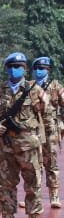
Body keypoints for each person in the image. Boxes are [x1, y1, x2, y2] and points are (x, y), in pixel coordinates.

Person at [0, 52, 50, 218]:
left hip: (29, 147)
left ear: (25, 69)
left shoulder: (35, 90)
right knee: (6, 184)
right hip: (6, 146)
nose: (14, 70)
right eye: (11, 66)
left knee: (33, 184)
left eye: (18, 66)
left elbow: (47, 114)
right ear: (6, 69)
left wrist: (43, 140)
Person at [32, 57, 63, 208]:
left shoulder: (56, 86)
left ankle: (54, 195)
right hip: (32, 132)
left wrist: (62, 122)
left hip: (50, 131)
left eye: (43, 68)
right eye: (37, 68)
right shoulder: (28, 87)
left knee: (51, 163)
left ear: (48, 70)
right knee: (33, 165)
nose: (39, 70)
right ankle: (33, 197)